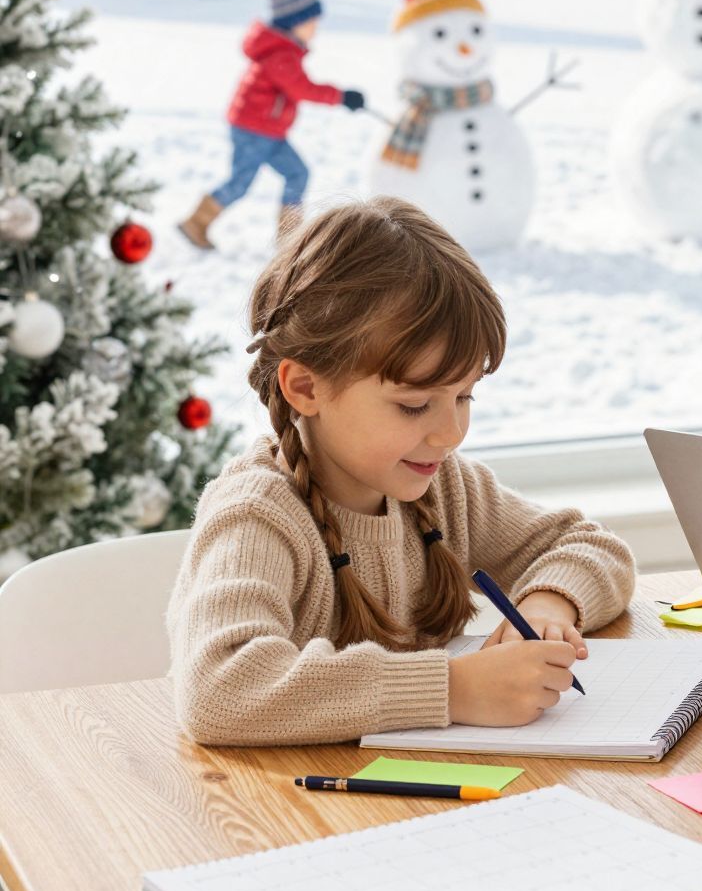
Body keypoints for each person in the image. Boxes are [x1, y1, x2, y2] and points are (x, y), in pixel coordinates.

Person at [168, 198, 635, 746]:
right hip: (294, 816)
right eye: (415, 405)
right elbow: (218, 690)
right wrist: (452, 689)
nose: (450, 432)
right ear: (306, 387)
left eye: (464, 396)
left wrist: (550, 602)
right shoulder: (258, 517)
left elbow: (593, 547)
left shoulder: (444, 486)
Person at [178, 0, 368, 249]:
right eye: (312, 21)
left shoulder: (284, 51)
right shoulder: (280, 55)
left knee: (297, 173)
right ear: (294, 22)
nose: (316, 27)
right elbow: (302, 89)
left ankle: (289, 237)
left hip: (268, 130)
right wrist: (341, 97)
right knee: (240, 183)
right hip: (254, 129)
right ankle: (196, 222)